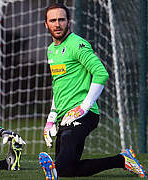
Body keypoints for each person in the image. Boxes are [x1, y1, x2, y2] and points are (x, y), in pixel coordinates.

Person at [39, 3, 146, 180]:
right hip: (64, 116)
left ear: (68, 22)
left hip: (84, 114)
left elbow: (101, 74)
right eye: (53, 20)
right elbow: (58, 85)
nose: (57, 24)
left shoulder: (77, 44)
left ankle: (53, 171)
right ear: (46, 24)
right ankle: (122, 160)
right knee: (69, 170)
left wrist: (84, 107)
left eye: (61, 20)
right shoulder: (51, 50)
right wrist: (51, 117)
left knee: (67, 141)